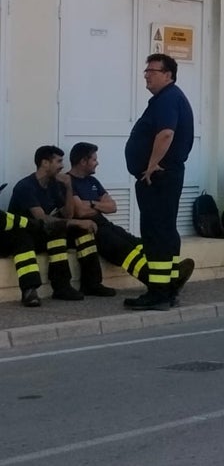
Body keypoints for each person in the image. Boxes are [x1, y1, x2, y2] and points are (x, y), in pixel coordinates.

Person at [65, 141, 190, 298]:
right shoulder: (68, 182)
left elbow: (113, 206)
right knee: (125, 251)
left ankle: (170, 277)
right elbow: (81, 212)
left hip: (104, 224)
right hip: (89, 229)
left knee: (138, 244)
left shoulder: (92, 182)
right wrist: (97, 205)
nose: (97, 163)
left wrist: (91, 203)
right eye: (94, 160)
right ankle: (159, 285)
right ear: (83, 161)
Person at [123, 53, 194, 310]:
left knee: (156, 233)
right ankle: (168, 286)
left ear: (168, 75)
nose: (147, 74)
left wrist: (152, 165)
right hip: (163, 177)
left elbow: (165, 134)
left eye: (152, 70)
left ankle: (159, 293)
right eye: (146, 70)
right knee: (162, 231)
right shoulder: (166, 99)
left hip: (159, 177)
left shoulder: (168, 98)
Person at [8, 145, 91, 302]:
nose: (62, 166)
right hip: (22, 235)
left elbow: (68, 214)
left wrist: (68, 187)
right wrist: (75, 222)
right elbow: (41, 218)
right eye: (58, 161)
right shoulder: (26, 186)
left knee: (77, 231)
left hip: (41, 233)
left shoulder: (53, 185)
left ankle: (75, 285)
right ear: (45, 163)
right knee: (24, 237)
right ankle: (29, 291)